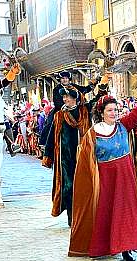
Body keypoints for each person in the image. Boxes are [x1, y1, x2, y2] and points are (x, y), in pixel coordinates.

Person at [68, 78, 137, 261]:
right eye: (110, 110)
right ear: (101, 112)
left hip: (125, 178)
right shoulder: (92, 134)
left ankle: (126, 249)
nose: (114, 113)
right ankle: (102, 246)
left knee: (125, 212)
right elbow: (84, 163)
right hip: (105, 180)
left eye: (116, 110)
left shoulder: (123, 126)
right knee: (106, 213)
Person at [42, 85, 103, 226]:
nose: (65, 99)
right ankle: (72, 217)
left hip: (84, 156)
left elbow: (97, 99)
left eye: (67, 97)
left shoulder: (85, 111)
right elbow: (52, 136)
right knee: (69, 188)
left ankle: (86, 215)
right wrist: (48, 155)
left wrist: (103, 83)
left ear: (75, 98)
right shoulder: (59, 116)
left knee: (86, 186)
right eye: (63, 97)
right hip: (65, 159)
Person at [39, 70, 99, 147]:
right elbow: (57, 101)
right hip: (61, 108)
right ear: (60, 80)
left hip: (75, 108)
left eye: (66, 78)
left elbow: (85, 89)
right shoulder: (56, 89)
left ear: (69, 79)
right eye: (63, 78)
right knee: (50, 123)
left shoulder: (74, 87)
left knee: (87, 118)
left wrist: (93, 84)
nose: (65, 80)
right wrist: (63, 107)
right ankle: (46, 143)